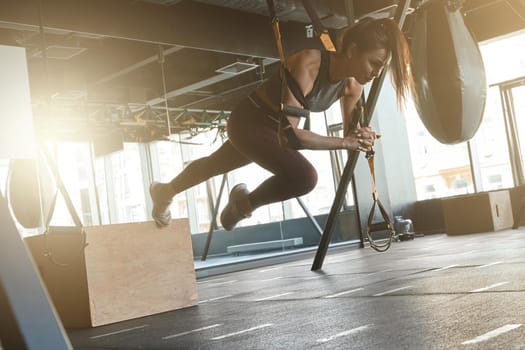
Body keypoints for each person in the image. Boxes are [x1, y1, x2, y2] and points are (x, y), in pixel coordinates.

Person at [149, 17, 414, 230]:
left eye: (382, 67)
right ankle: (242, 205)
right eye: (375, 63)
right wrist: (346, 142)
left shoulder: (353, 86)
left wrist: (361, 136)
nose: (376, 72)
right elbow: (292, 138)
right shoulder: (308, 64)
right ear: (354, 50)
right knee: (305, 177)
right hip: (250, 122)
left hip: (273, 132)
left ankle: (165, 191)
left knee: (213, 165)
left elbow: (349, 134)